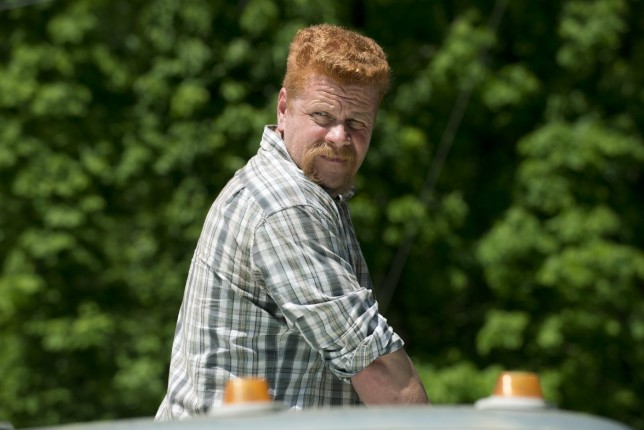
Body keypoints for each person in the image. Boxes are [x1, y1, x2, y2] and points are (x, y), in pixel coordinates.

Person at [155, 23, 428, 420]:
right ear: (283, 109)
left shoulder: (304, 190)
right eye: (322, 115)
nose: (339, 137)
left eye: (357, 123)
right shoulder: (286, 205)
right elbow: (377, 368)